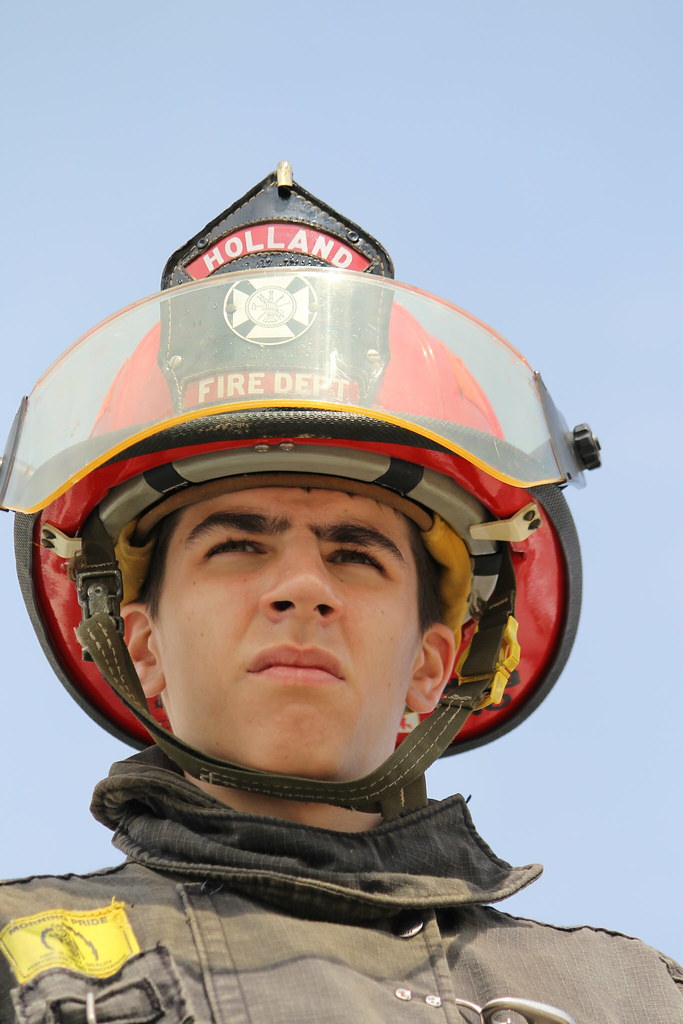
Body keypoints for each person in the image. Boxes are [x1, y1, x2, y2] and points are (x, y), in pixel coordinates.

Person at [0, 163, 680, 1024]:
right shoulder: (21, 970)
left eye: (356, 555)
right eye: (237, 546)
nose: (300, 588)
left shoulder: (628, 998)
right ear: (141, 645)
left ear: (434, 665)